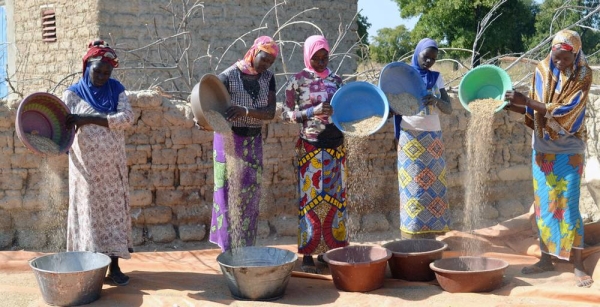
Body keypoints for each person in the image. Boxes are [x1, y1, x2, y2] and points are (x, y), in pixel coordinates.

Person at [504, 29, 594, 288]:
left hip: (569, 151)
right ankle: (546, 259)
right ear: (551, 50)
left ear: (575, 54)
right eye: (557, 55)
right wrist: (514, 104)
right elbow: (536, 105)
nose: (560, 62)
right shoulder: (542, 69)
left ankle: (577, 265)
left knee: (570, 208)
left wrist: (528, 102)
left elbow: (569, 110)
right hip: (542, 150)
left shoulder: (584, 74)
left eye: (566, 58)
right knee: (544, 208)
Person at [64, 40, 134, 286]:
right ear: (86, 67)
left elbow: (126, 118)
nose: (103, 76)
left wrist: (89, 118)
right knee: (89, 216)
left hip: (112, 169)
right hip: (85, 173)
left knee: (113, 215)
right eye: (98, 71)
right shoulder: (72, 94)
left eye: (107, 72)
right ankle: (89, 268)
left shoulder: (117, 90)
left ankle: (114, 267)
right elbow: (63, 127)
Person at [282, 35, 348, 273]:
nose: (320, 62)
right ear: (307, 56)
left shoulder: (337, 80)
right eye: (315, 58)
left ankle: (328, 251)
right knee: (310, 201)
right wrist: (313, 110)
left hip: (335, 146)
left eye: (324, 58)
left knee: (334, 201)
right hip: (310, 147)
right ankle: (308, 254)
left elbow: (346, 107)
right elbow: (287, 113)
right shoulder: (297, 81)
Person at [209, 36, 279, 252]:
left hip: (253, 140)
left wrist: (245, 111)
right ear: (254, 52)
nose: (265, 65)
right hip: (229, 140)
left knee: (250, 192)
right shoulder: (229, 75)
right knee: (227, 192)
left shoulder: (268, 78)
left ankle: (246, 247)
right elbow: (209, 102)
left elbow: (269, 113)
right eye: (263, 59)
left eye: (269, 62)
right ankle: (228, 250)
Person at [394, 38, 453, 239]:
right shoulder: (404, 77)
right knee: (412, 187)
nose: (428, 62)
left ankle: (432, 236)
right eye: (425, 57)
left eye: (433, 59)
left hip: (433, 141)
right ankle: (411, 236)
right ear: (417, 52)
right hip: (410, 138)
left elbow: (449, 108)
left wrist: (436, 100)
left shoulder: (436, 78)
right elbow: (393, 107)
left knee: (434, 187)